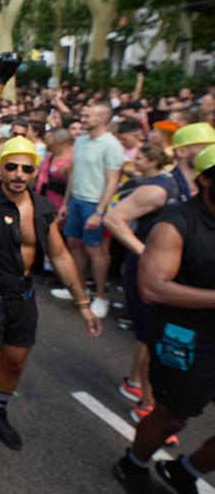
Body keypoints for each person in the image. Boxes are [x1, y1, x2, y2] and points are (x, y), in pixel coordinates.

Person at [0, 136, 101, 476]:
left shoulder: (41, 208)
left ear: (34, 172)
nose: (18, 173)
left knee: (15, 363)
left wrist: (82, 302)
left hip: (22, 298)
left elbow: (59, 254)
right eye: (11, 166)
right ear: (0, 170)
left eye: (27, 168)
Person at [113, 145, 215, 494]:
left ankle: (186, 470)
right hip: (184, 336)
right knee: (173, 415)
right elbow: (153, 289)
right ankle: (134, 463)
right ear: (205, 178)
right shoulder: (175, 224)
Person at [104, 143, 183, 446]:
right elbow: (115, 217)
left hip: (166, 272)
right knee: (154, 336)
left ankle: (134, 382)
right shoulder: (160, 188)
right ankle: (147, 406)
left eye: (140, 156)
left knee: (147, 335)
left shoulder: (181, 189)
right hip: (148, 272)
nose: (134, 160)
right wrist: (145, 254)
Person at [54, 103, 124, 319]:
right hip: (76, 201)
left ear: (102, 118)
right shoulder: (81, 140)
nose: (82, 117)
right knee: (74, 244)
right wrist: (66, 203)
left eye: (87, 114)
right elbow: (73, 174)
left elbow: (113, 181)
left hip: (95, 204)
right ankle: (79, 290)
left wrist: (100, 211)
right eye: (83, 113)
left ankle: (101, 296)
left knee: (96, 250)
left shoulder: (112, 145)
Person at [35, 128, 73, 213]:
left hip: (56, 208)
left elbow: (71, 186)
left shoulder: (69, 161)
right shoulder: (49, 155)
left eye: (48, 139)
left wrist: (64, 205)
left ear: (57, 140)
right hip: (42, 203)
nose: (45, 143)